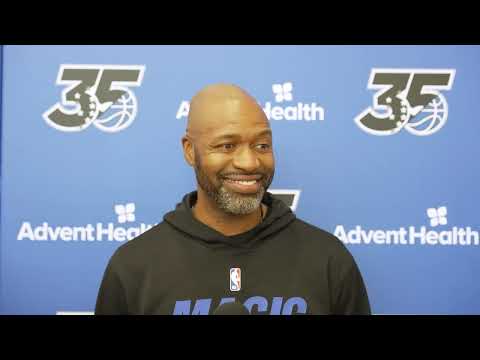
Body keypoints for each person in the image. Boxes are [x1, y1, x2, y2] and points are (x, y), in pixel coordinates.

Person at [95, 83, 371, 315]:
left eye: (262, 145)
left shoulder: (328, 260)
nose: (249, 162)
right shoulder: (134, 267)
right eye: (227, 145)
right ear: (190, 151)